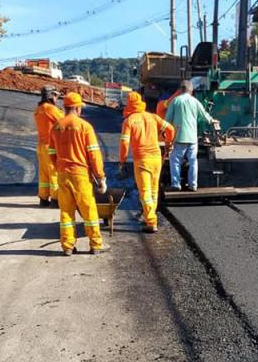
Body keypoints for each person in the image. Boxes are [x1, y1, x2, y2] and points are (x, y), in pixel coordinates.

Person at [48, 92, 107, 256]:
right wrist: (100, 176)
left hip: (62, 173)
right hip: (80, 174)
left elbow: (51, 153)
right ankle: (95, 244)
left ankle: (67, 246)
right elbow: (94, 154)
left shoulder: (57, 126)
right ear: (77, 108)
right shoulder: (84, 126)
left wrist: (59, 167)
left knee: (66, 211)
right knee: (88, 210)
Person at [119, 91, 175, 233]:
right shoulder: (152, 117)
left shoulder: (129, 121)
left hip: (142, 159)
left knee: (144, 192)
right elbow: (170, 129)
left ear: (129, 104)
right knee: (153, 190)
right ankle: (148, 215)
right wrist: (168, 144)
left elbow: (124, 143)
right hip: (156, 158)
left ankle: (151, 221)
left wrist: (122, 161)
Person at [163, 80, 218, 191]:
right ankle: (193, 185)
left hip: (179, 137)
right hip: (192, 138)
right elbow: (204, 115)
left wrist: (162, 131)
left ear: (180, 90)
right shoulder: (195, 101)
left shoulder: (175, 101)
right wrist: (212, 121)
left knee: (175, 161)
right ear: (191, 90)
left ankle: (176, 184)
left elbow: (167, 119)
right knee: (193, 161)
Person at [33, 86, 64, 206]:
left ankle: (44, 198)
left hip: (41, 146)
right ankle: (56, 199)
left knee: (44, 173)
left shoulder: (38, 109)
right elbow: (64, 121)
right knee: (54, 172)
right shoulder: (51, 109)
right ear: (50, 96)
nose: (57, 98)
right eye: (55, 95)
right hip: (51, 146)